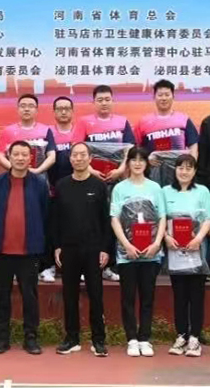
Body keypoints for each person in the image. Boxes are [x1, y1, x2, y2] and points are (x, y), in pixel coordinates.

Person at [0, 141, 50, 355]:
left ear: (30, 158)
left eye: (25, 154)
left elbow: (45, 213)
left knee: (30, 298)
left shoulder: (39, 184)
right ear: (9, 157)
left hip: (29, 251)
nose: (21, 158)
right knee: (1, 297)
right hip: (2, 251)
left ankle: (31, 338)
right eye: (17, 154)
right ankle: (1, 339)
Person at [51, 142, 111, 357]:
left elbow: (106, 220)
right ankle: (72, 338)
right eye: (74, 155)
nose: (78, 158)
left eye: (82, 155)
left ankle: (98, 340)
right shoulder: (62, 185)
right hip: (69, 249)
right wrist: (57, 246)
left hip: (93, 249)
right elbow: (55, 219)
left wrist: (105, 248)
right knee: (70, 295)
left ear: (90, 158)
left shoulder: (99, 186)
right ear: (70, 159)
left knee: (96, 295)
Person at [74, 85, 136, 283]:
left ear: (112, 101)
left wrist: (120, 169)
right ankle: (87, 266)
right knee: (92, 221)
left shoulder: (122, 122)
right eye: (100, 100)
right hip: (92, 179)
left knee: (115, 220)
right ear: (93, 102)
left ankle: (110, 265)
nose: (104, 103)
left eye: (107, 99)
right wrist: (91, 171)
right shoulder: (84, 122)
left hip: (117, 180)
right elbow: (77, 149)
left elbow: (130, 150)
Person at [109, 146, 166, 358]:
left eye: (142, 159)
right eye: (134, 159)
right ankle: (132, 339)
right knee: (128, 297)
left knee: (147, 297)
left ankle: (144, 338)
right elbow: (114, 219)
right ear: (128, 163)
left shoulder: (155, 188)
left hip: (151, 253)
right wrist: (126, 245)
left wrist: (156, 243)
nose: (138, 163)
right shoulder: (119, 189)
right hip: (127, 253)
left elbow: (162, 217)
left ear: (146, 163)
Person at [0, 94, 58, 283]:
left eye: (31, 106)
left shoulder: (45, 130)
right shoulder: (9, 131)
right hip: (14, 181)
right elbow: (0, 155)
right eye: (23, 105)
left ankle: (46, 266)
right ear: (18, 109)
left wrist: (37, 171)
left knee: (42, 222)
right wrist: (16, 168)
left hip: (38, 182)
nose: (26, 109)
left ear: (36, 110)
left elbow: (52, 155)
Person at [162, 154, 210, 357]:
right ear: (175, 170)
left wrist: (198, 239)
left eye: (189, 168)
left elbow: (208, 218)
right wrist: (166, 237)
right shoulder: (165, 191)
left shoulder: (202, 191)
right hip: (175, 251)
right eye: (181, 167)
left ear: (194, 171)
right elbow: (160, 218)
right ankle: (181, 335)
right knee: (180, 296)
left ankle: (195, 338)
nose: (184, 172)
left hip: (196, 250)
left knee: (196, 296)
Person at [137, 80, 200, 186]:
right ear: (154, 97)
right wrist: (146, 160)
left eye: (167, 95)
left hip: (180, 174)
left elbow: (193, 145)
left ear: (173, 96)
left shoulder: (183, 119)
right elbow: (138, 148)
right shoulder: (143, 122)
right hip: (153, 174)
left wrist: (191, 166)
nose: (164, 98)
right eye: (160, 95)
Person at [48, 96, 77, 189]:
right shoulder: (47, 132)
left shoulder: (80, 131)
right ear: (54, 112)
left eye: (67, 109)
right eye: (60, 109)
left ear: (72, 111)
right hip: (54, 183)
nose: (63, 112)